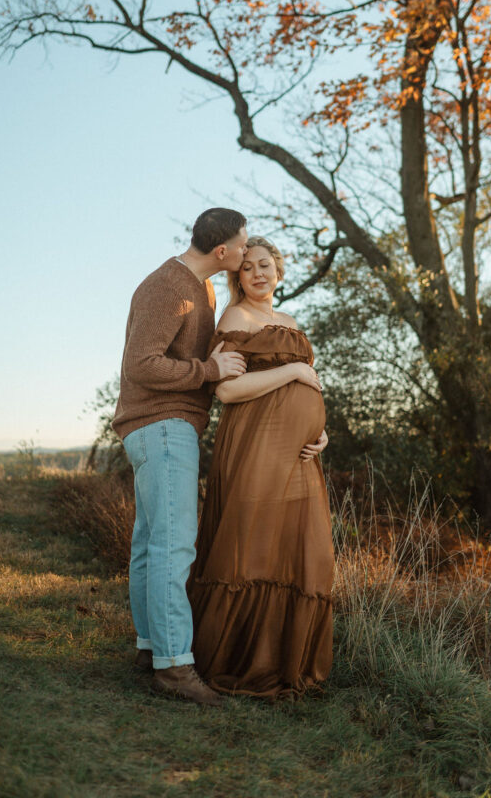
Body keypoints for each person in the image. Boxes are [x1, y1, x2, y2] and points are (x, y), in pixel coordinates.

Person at [187, 236, 334, 701]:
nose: (257, 273)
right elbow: (227, 391)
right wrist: (293, 373)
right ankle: (235, 661)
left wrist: (320, 433)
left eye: (265, 265)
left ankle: (286, 662)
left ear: (279, 270)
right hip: (254, 449)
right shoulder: (235, 318)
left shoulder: (289, 322)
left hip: (299, 457)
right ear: (237, 276)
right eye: (247, 267)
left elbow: (309, 387)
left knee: (295, 549)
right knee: (249, 547)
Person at [113, 208, 248, 706]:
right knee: (174, 548)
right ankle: (174, 667)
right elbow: (141, 364)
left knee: (151, 546)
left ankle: (151, 649)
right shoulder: (171, 286)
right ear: (222, 251)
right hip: (162, 426)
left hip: (161, 428)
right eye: (243, 245)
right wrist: (208, 370)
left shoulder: (202, 288)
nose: (245, 252)